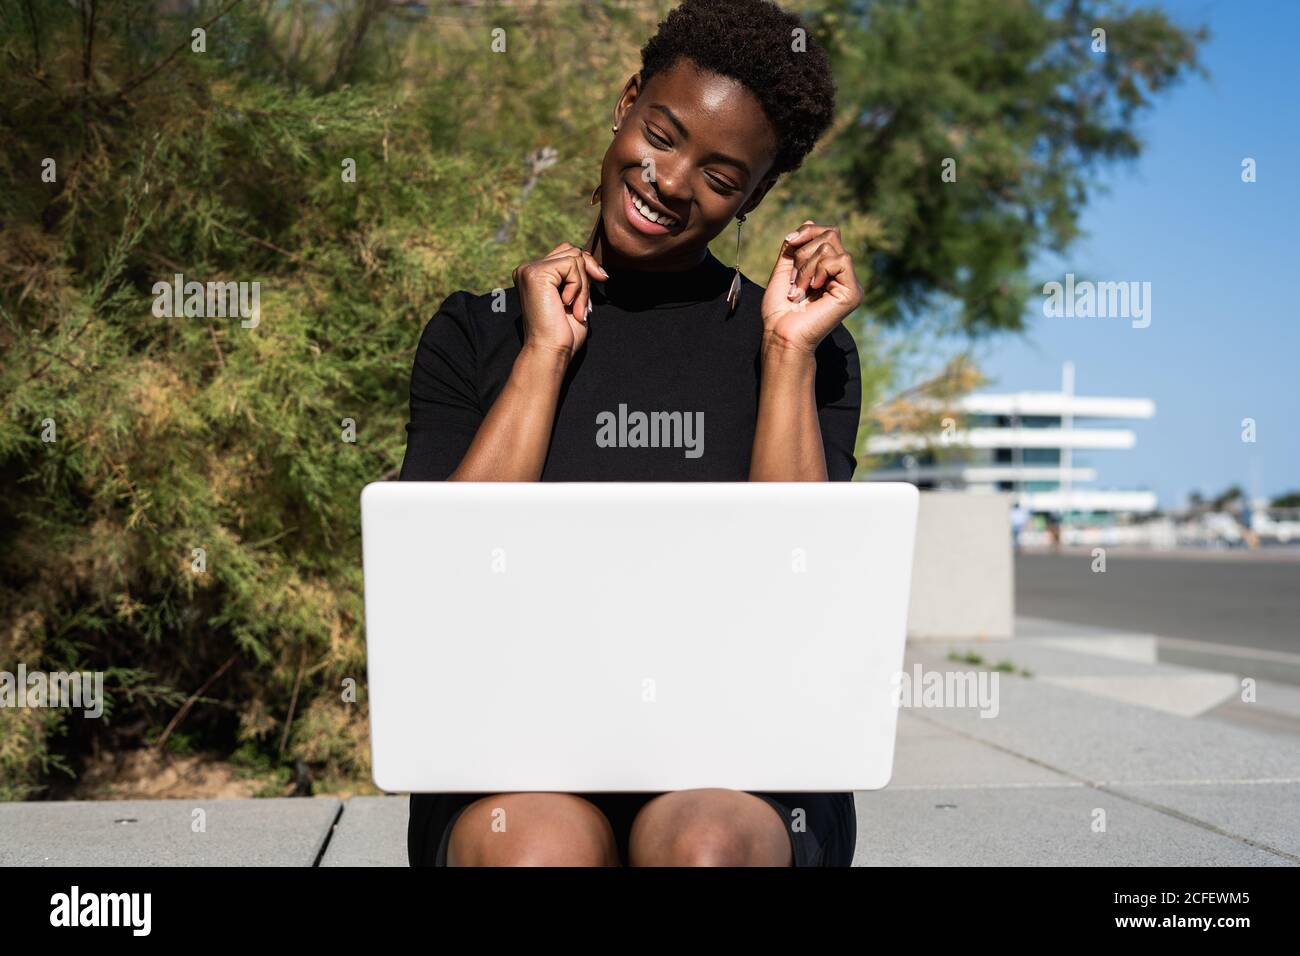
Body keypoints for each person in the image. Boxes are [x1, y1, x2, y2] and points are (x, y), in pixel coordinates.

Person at [398, 0, 862, 866]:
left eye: (723, 177)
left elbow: (799, 588)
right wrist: (543, 354)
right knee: (537, 853)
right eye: (662, 132)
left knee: (709, 848)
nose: (671, 179)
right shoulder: (480, 329)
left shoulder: (806, 346)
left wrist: (788, 352)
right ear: (625, 104)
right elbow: (445, 579)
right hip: (511, 756)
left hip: (742, 761)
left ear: (755, 196)